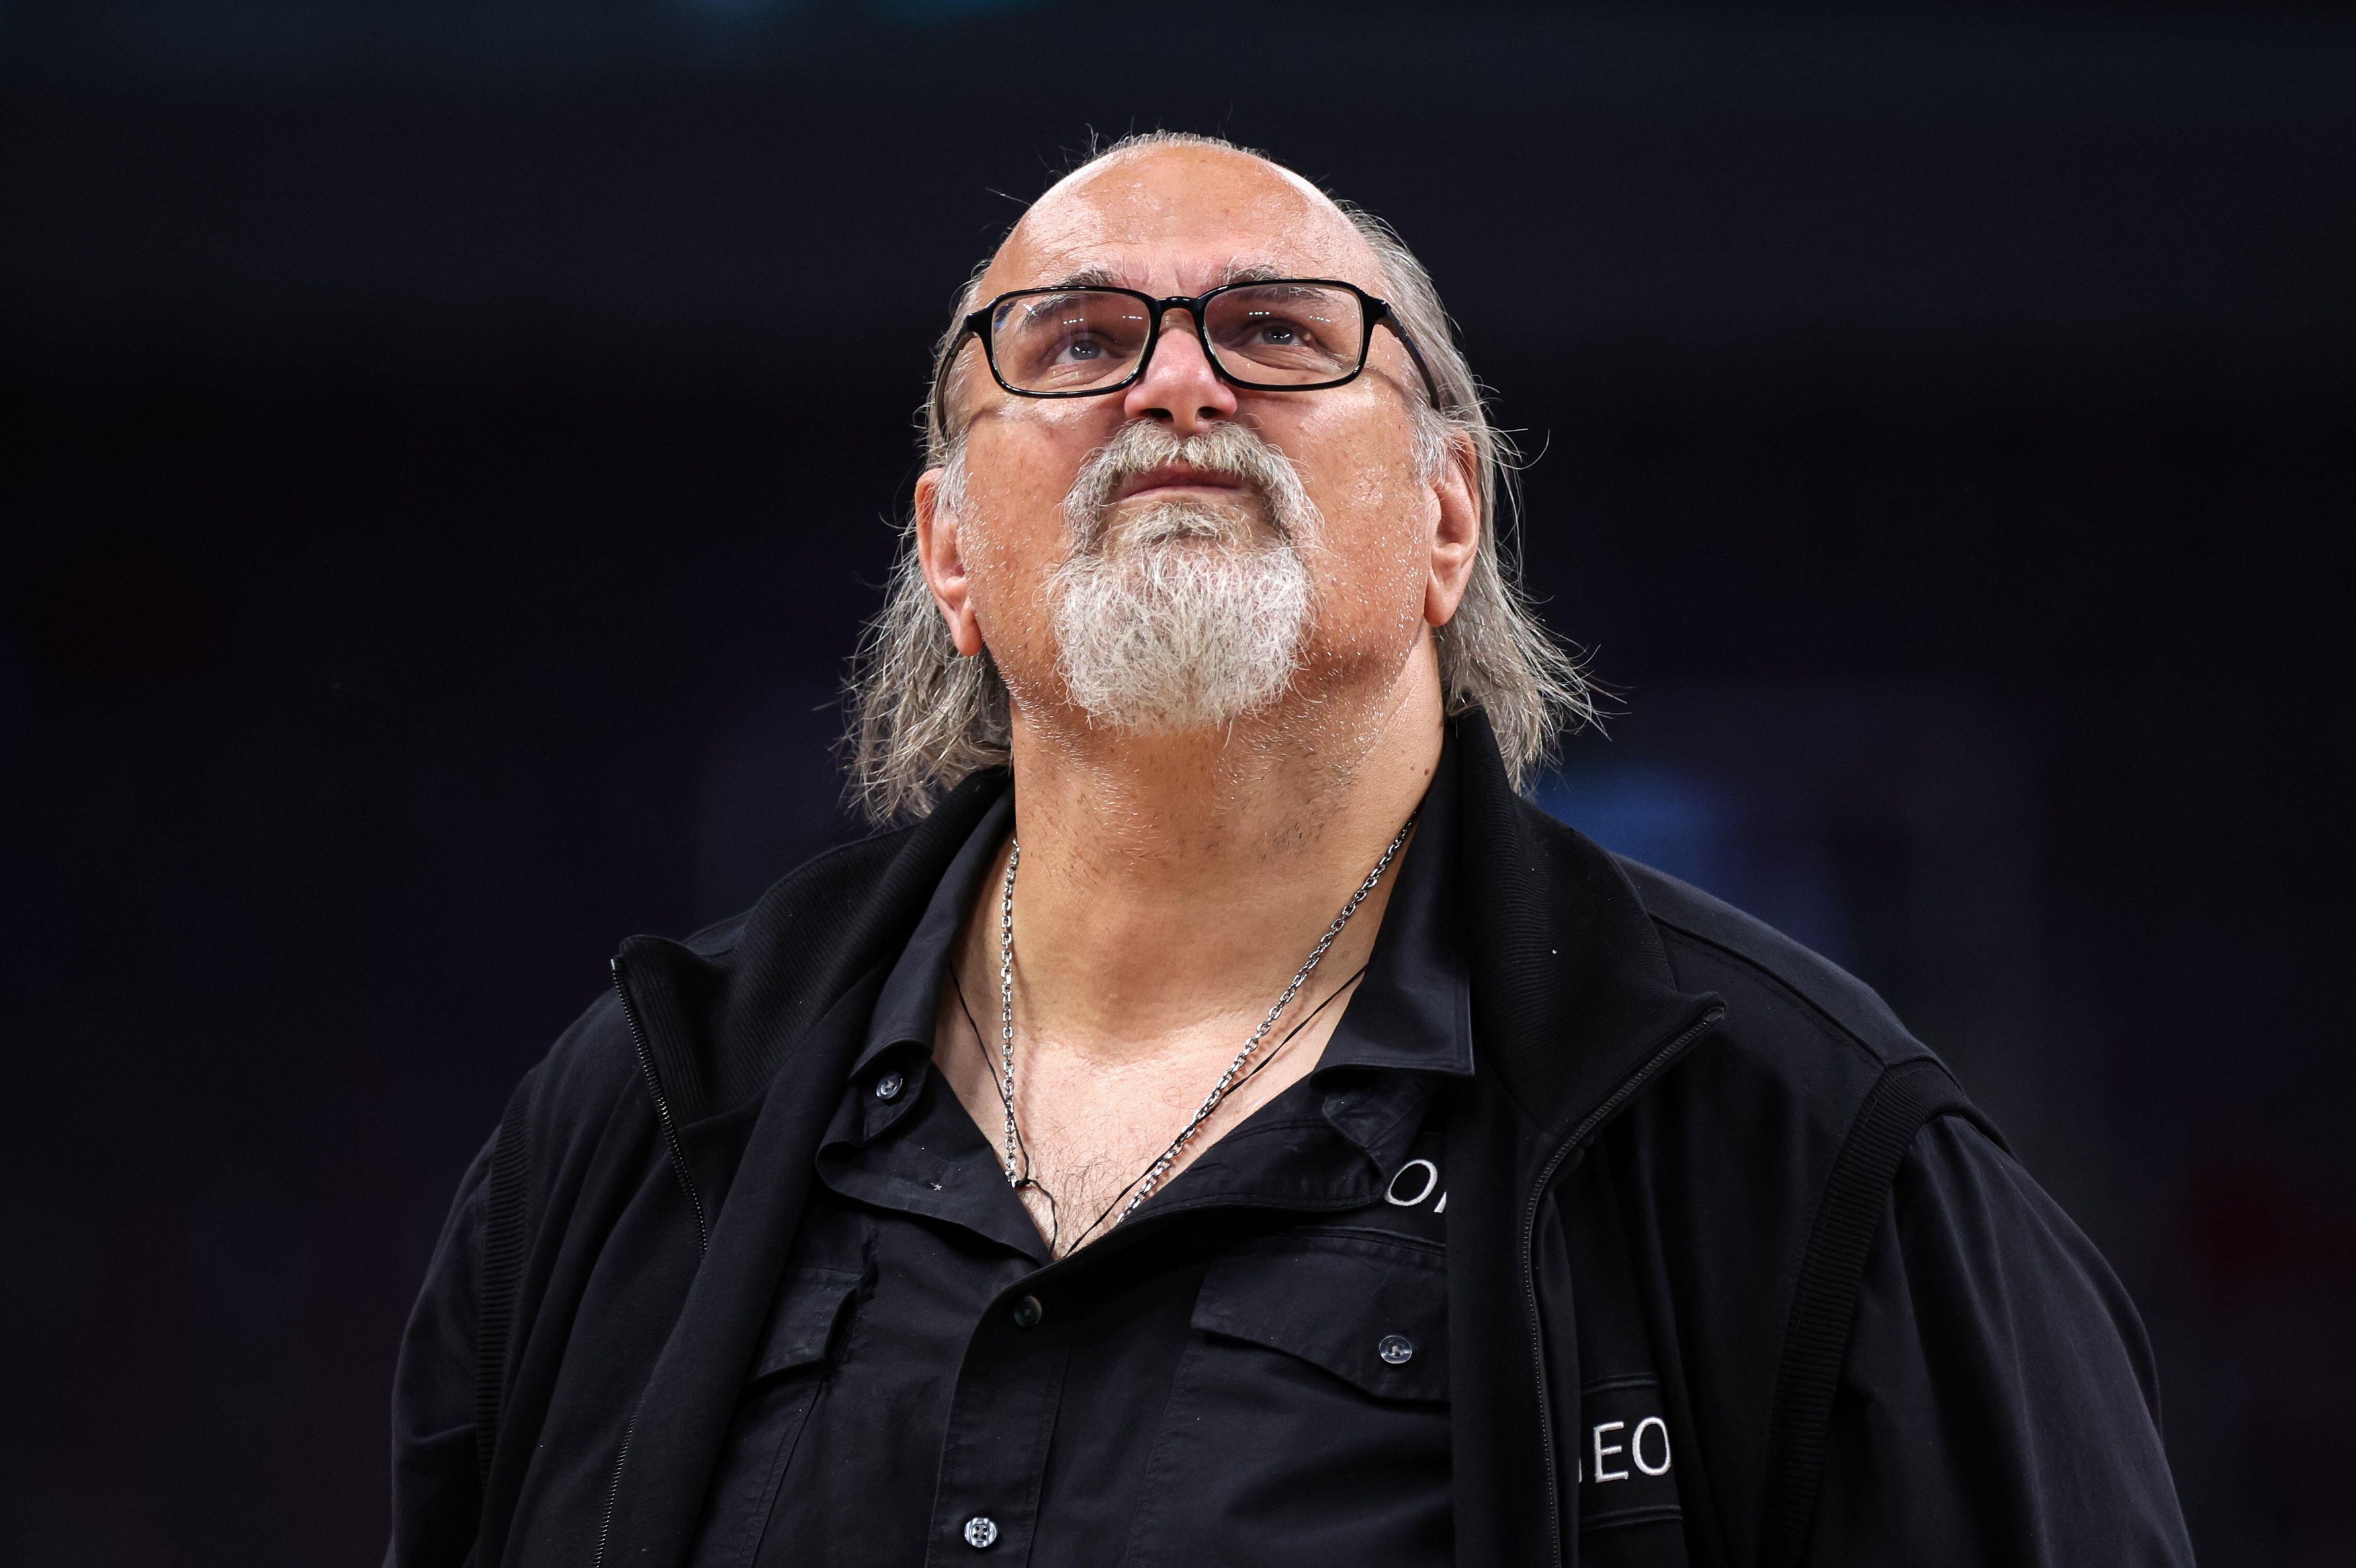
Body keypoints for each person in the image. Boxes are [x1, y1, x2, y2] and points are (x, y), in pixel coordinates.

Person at [388, 132, 2193, 1568]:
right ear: (947, 552)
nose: (1176, 389)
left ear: (1445, 516)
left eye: (1274, 333)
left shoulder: (1800, 1152)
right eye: (1079, 343)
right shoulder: (627, 1128)